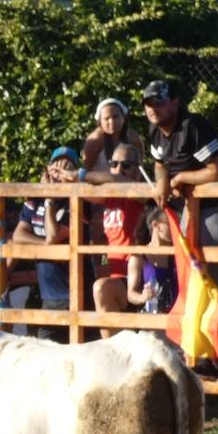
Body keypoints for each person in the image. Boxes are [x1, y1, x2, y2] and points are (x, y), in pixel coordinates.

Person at [144, 78, 218, 283]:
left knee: (211, 275)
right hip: (191, 205)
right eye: (148, 103)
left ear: (175, 102)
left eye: (159, 102)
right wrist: (162, 182)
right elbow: (159, 164)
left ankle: (215, 315)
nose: (152, 108)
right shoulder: (154, 130)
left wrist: (180, 178)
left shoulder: (193, 127)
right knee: (190, 270)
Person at [84, 143, 148, 336]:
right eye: (114, 164)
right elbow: (83, 190)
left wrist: (79, 175)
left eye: (126, 165)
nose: (119, 169)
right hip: (117, 276)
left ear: (138, 170)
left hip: (140, 276)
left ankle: (114, 354)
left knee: (101, 288)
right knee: (101, 289)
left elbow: (117, 180)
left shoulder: (142, 192)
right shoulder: (109, 197)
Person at [13, 147, 78, 340]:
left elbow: (53, 235)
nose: (58, 175)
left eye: (66, 169)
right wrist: (46, 246)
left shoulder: (76, 202)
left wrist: (50, 199)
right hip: (49, 296)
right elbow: (18, 235)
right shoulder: (34, 201)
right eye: (55, 169)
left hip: (75, 295)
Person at [82, 97, 144, 175]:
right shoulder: (95, 140)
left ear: (124, 118)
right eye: (107, 118)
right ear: (100, 122)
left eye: (115, 117)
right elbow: (86, 169)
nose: (111, 122)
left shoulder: (134, 139)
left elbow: (139, 169)